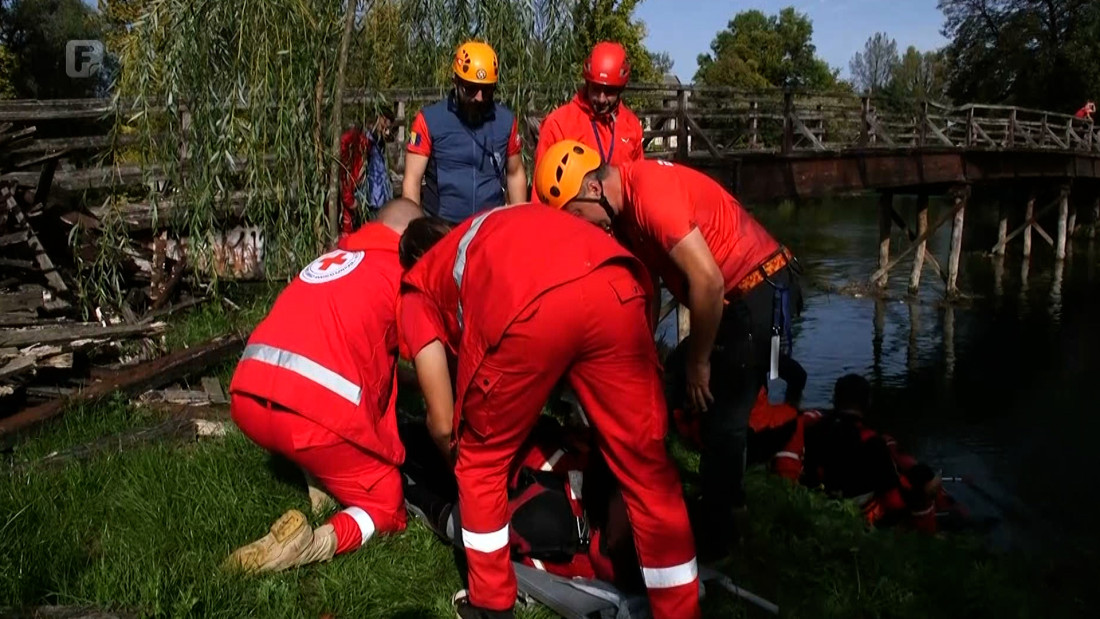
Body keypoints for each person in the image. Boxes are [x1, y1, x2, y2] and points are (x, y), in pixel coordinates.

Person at [398, 205, 701, 619]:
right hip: (617, 282)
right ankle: (680, 609)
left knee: (482, 462)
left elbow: (440, 421)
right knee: (647, 469)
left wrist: (458, 463)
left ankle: (490, 604)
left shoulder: (418, 284)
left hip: (532, 306)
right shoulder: (495, 224)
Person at [533, 139, 803, 561]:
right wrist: (643, 353)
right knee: (664, 386)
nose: (582, 226)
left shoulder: (650, 196)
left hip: (756, 292)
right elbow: (652, 280)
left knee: (724, 416)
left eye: (577, 215)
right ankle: (649, 495)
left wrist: (699, 362)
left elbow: (708, 282)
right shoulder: (622, 214)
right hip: (725, 301)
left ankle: (722, 529)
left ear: (593, 189)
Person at [222, 198, 423, 573]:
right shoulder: (401, 274)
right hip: (311, 419)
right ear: (411, 239)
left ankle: (315, 474)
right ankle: (313, 544)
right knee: (387, 504)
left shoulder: (332, 258)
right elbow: (426, 358)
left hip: (249, 394)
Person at [801, 374, 947, 533]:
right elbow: (894, 502)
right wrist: (921, 495)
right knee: (921, 476)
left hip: (821, 504)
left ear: (835, 400)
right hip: (860, 515)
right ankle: (929, 528)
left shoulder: (814, 431)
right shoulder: (873, 443)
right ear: (868, 403)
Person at [402, 40, 526, 224]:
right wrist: (415, 229)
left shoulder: (506, 121)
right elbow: (412, 180)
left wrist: (520, 223)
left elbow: (515, 174)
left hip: (489, 225)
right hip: (442, 226)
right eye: (471, 89)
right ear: (456, 81)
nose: (479, 97)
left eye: (487, 90)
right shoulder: (429, 120)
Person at [533, 41, 645, 178]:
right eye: (596, 89)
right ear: (587, 84)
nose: (602, 99)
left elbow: (638, 180)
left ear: (620, 90)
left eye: (609, 91)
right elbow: (542, 183)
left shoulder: (631, 125)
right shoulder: (558, 124)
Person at [339, 107, 396, 237]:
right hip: (368, 201)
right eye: (384, 124)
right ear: (378, 118)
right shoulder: (361, 142)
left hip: (380, 201)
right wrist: (350, 199)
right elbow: (348, 172)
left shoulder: (378, 142)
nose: (386, 131)